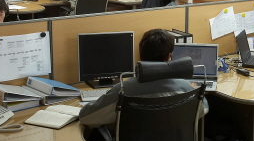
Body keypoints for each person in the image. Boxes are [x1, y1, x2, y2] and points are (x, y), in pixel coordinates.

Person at [79, 29, 208, 128]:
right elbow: (204, 108)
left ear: (140, 56)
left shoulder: (123, 90)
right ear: (169, 56)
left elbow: (85, 117)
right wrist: (194, 89)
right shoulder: (184, 87)